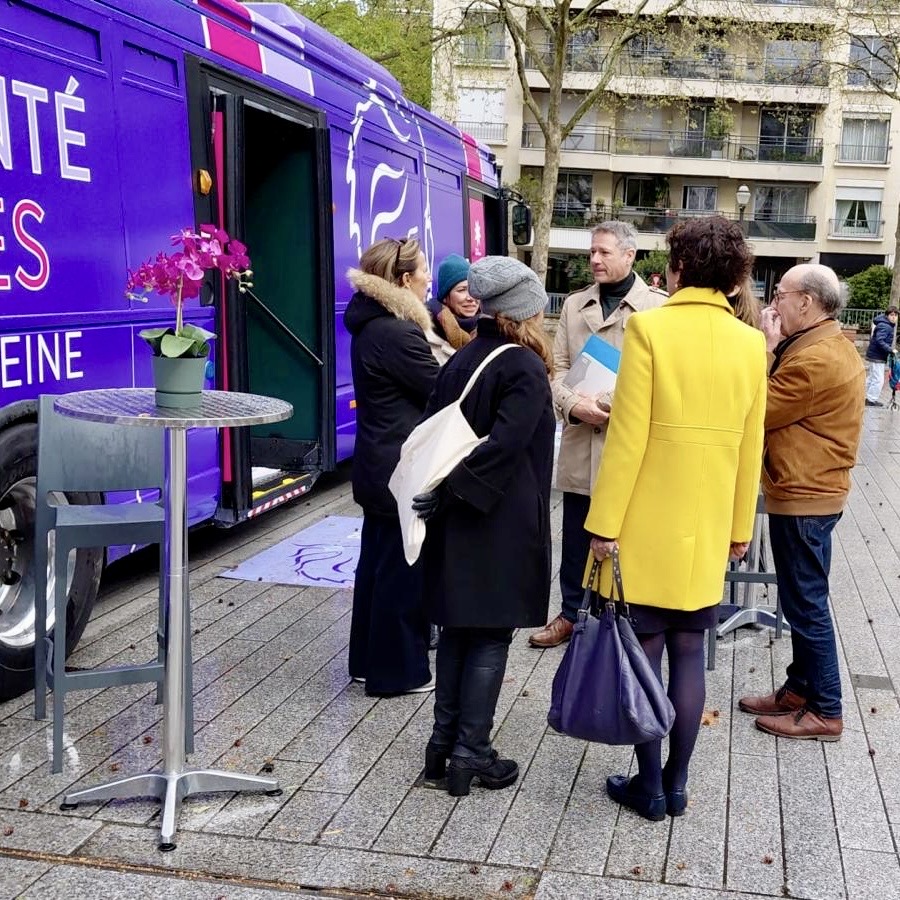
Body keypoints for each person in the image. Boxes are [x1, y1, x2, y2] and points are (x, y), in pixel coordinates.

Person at [585, 217, 767, 820]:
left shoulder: (650, 327)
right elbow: (751, 445)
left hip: (645, 523)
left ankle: (649, 787)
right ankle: (679, 782)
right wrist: (741, 527)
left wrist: (602, 524)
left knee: (646, 650)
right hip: (709, 525)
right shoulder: (749, 342)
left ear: (680, 267)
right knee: (691, 651)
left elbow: (627, 438)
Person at [412, 256, 555, 797]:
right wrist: (457, 492)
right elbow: (506, 446)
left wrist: (443, 495)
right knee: (490, 635)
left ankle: (442, 748)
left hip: (455, 519)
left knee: (457, 631)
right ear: (523, 308)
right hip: (497, 520)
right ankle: (473, 753)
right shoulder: (521, 364)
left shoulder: (465, 354)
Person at [739, 264, 865, 741]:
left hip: (807, 494)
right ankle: (800, 689)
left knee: (807, 603)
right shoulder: (822, 345)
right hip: (809, 488)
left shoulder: (818, 359)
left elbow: (761, 409)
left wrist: (766, 349)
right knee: (800, 597)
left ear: (807, 303)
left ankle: (826, 709)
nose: (773, 304)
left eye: (780, 295)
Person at [528, 221, 666, 649]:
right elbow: (557, 369)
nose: (595, 259)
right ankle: (570, 613)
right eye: (592, 252)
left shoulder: (658, 308)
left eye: (605, 252)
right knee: (575, 534)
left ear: (630, 255)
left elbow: (662, 381)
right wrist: (573, 405)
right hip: (579, 439)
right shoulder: (573, 305)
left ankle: (615, 617)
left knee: (622, 537)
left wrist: (613, 403)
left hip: (626, 445)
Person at [344, 237, 438, 696]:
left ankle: (365, 660)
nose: (428, 279)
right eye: (423, 271)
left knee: (375, 568)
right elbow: (440, 393)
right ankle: (397, 673)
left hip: (376, 465)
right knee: (403, 573)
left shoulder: (371, 325)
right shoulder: (399, 333)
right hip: (400, 470)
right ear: (403, 280)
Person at [428, 254, 480, 353]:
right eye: (461, 290)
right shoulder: (427, 333)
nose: (470, 297)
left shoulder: (494, 328)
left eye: (473, 289)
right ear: (445, 298)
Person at [864, 305, 898, 407]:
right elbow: (880, 340)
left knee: (872, 378)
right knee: (878, 379)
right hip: (877, 356)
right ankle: (871, 399)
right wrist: (890, 350)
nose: (894, 317)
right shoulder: (885, 326)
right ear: (887, 315)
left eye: (896, 315)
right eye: (891, 315)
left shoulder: (885, 324)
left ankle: (862, 395)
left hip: (875, 355)